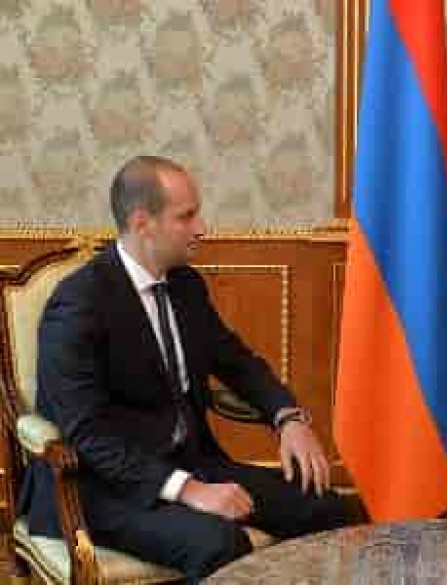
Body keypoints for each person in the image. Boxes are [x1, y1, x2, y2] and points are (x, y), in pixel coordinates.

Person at [21, 156, 350, 582]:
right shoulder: (79, 304)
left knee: (330, 509)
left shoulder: (184, 285)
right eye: (186, 216)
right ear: (143, 224)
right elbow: (88, 435)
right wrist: (189, 490)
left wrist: (288, 418)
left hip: (191, 461)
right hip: (100, 487)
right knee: (219, 541)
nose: (202, 227)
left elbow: (237, 362)